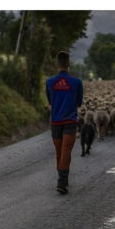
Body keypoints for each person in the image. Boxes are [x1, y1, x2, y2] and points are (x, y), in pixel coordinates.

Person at [46, 51, 83, 194]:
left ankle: (62, 179)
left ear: (57, 64)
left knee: (59, 151)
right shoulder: (77, 82)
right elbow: (79, 103)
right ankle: (62, 181)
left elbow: (50, 101)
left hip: (55, 121)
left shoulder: (49, 82)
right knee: (66, 150)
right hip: (70, 121)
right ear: (69, 64)